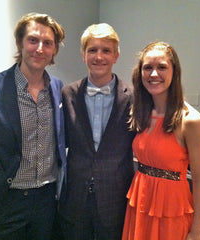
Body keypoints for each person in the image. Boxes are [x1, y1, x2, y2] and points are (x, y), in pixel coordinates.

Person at [0, 12, 66, 240]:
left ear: (54, 50)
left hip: (47, 201)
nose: (40, 48)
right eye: (33, 40)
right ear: (20, 43)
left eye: (48, 43)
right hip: (6, 201)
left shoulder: (58, 88)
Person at [122, 41, 200, 240]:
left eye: (162, 67)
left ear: (174, 71)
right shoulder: (140, 112)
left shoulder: (191, 121)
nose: (154, 74)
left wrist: (197, 232)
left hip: (171, 209)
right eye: (148, 68)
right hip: (139, 201)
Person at [59, 23, 135, 240]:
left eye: (106, 50)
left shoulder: (133, 97)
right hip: (75, 198)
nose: (99, 56)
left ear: (116, 56)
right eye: (92, 50)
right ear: (83, 55)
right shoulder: (67, 93)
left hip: (116, 198)